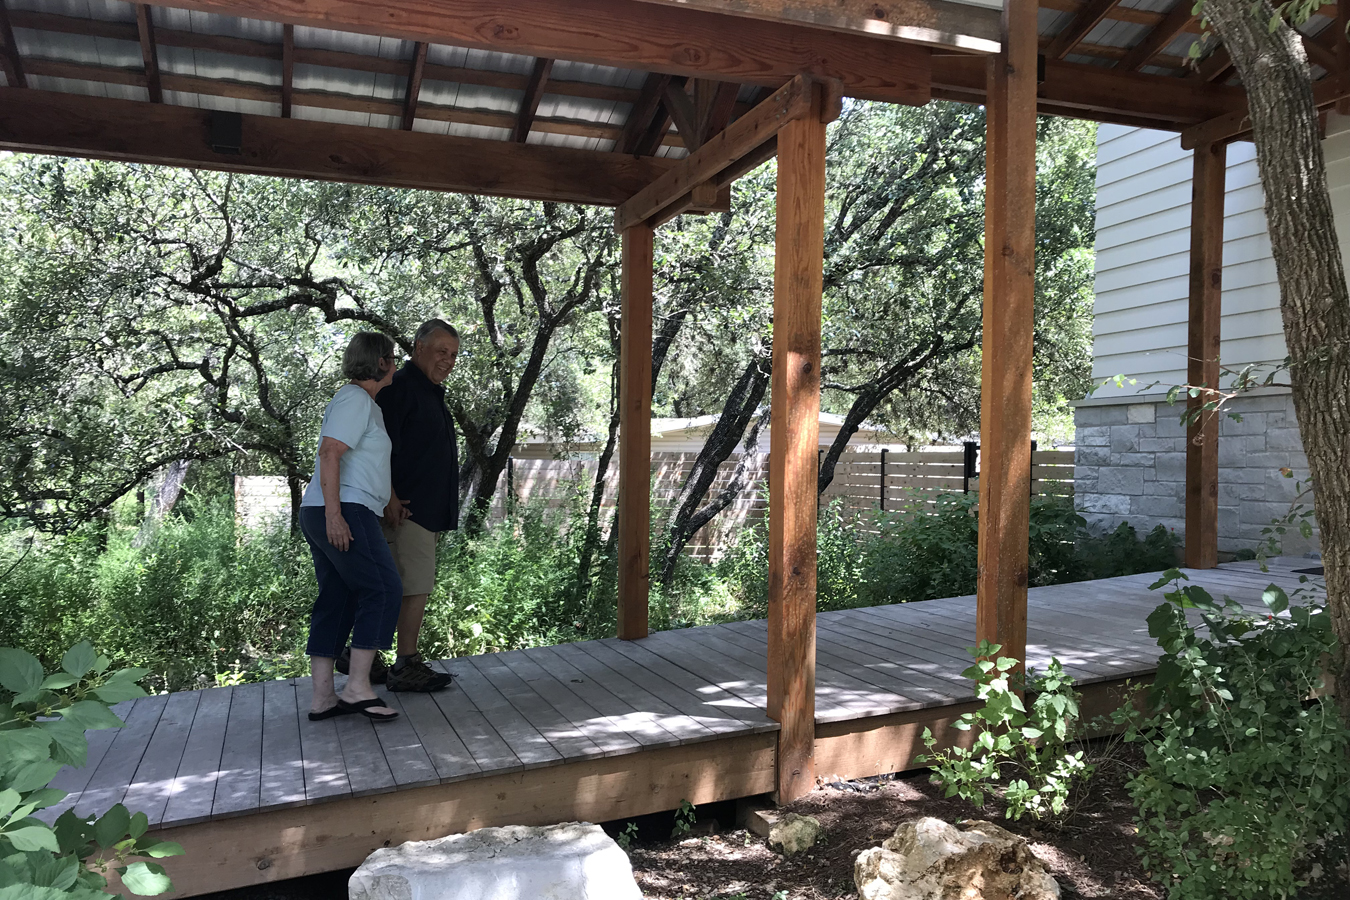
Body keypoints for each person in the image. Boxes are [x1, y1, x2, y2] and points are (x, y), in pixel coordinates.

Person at [337, 319, 460, 691]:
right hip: (407, 510)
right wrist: (390, 497)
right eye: (441, 351)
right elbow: (378, 448)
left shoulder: (428, 391)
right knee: (412, 587)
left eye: (454, 354)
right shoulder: (401, 388)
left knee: (402, 585)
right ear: (419, 347)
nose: (448, 360)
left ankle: (364, 657)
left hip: (426, 510)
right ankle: (405, 663)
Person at [299, 332, 403, 722]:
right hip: (344, 508)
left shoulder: (362, 403)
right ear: (381, 362)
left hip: (331, 508)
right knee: (384, 588)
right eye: (392, 357)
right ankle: (358, 687)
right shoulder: (356, 399)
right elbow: (330, 452)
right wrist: (335, 515)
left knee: (338, 596)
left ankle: (323, 698)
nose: (396, 364)